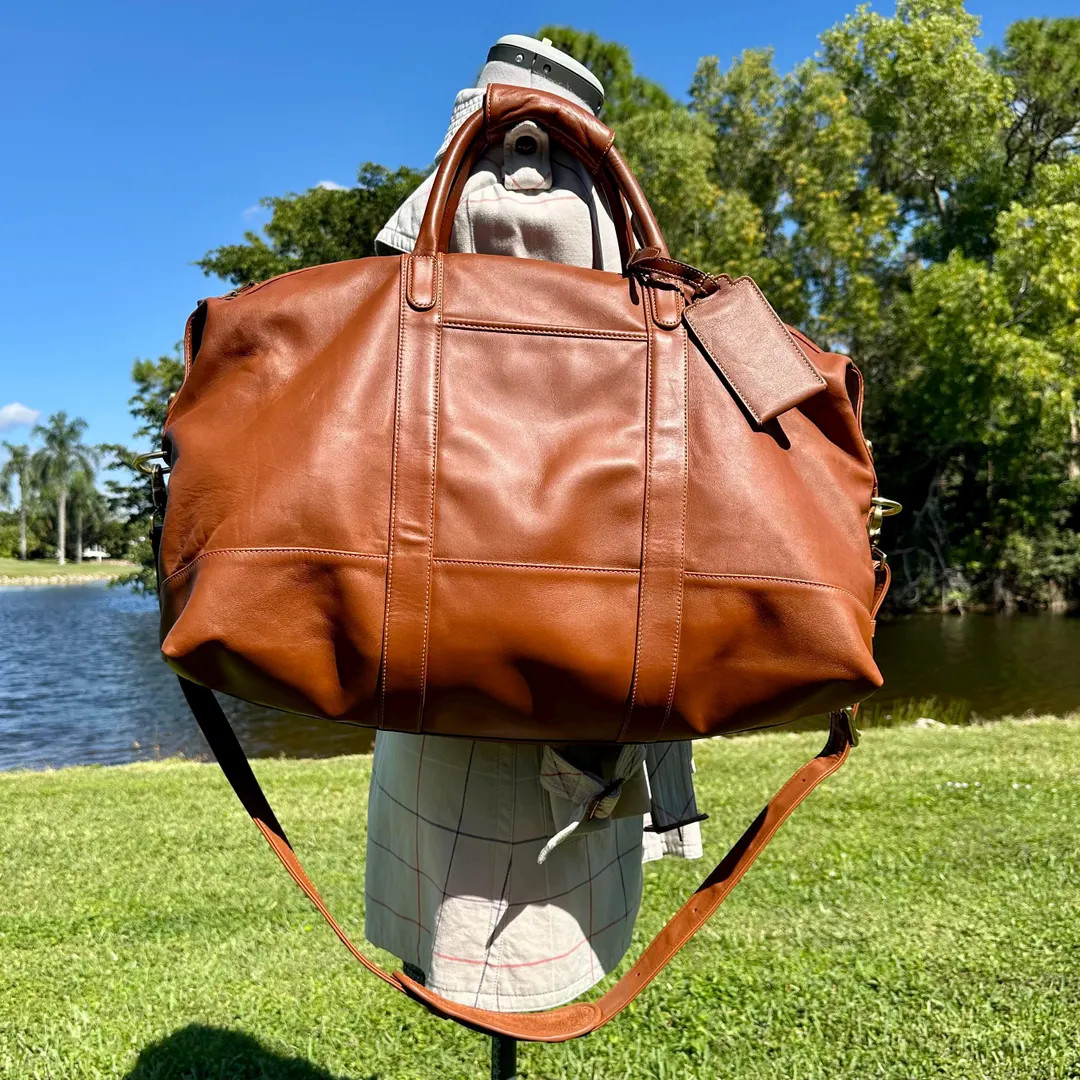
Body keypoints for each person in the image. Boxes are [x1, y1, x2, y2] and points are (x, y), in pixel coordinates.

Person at [365, 34, 704, 1013]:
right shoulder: (567, 184)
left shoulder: (507, 176)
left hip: (471, 632)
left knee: (485, 887)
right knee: (530, 888)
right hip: (575, 630)